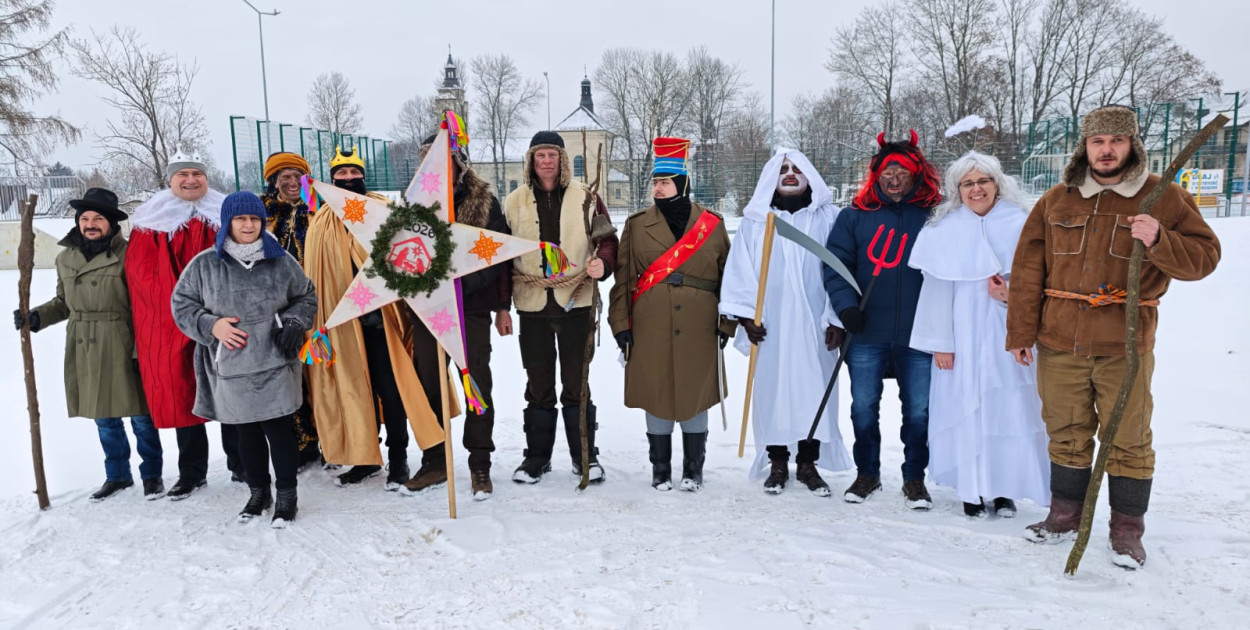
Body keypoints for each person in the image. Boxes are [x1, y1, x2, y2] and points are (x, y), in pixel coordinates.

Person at [1007, 105, 1220, 567]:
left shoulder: (1162, 197)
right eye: (1098, 141)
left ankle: (1126, 531)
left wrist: (1161, 239)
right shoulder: (1058, 199)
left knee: (1129, 438)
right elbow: (1026, 271)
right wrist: (1021, 332)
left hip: (1125, 345)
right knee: (1065, 433)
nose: (1106, 150)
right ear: (1084, 146)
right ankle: (1064, 516)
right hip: (1059, 341)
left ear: (1132, 145)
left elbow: (1205, 259)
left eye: (1116, 140)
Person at [908, 152, 1049, 518]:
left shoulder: (1021, 223)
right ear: (957, 189)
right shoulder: (943, 229)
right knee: (965, 407)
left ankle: (1003, 490)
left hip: (1008, 333)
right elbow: (936, 291)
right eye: (967, 183)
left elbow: (1040, 282)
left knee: (1008, 409)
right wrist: (941, 344)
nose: (976, 189)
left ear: (996, 184)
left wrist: (1009, 295)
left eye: (983, 181)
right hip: (961, 335)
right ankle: (971, 489)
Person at [172, 191, 318, 527]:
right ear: (228, 222)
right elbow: (182, 305)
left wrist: (294, 321)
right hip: (232, 366)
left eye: (254, 219)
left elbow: (306, 297)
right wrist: (212, 325)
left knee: (279, 432)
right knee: (246, 434)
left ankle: (287, 495)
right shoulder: (205, 264)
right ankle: (258, 492)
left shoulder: (281, 260)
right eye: (240, 219)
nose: (248, 225)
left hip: (275, 362)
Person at [303, 146, 443, 490]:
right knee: (355, 390)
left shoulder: (384, 212)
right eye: (341, 173)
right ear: (332, 178)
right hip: (341, 325)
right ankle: (365, 459)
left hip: (383, 321)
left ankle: (398, 459)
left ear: (363, 176)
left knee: (390, 391)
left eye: (354, 172)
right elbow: (316, 274)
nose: (348, 178)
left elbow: (409, 258)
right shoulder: (321, 220)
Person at [720, 148, 853, 496]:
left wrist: (836, 318)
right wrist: (746, 316)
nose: (790, 174)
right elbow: (740, 270)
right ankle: (777, 462)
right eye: (783, 170)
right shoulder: (755, 222)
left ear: (809, 175)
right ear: (771, 179)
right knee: (773, 392)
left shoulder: (829, 219)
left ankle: (808, 464)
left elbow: (841, 270)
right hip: (772, 325)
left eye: (796, 168)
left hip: (816, 323)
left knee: (815, 392)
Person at [17, 188, 163, 501]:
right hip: (85, 344)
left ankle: (152, 475)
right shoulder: (65, 258)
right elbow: (63, 302)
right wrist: (36, 316)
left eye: (98, 218)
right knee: (104, 417)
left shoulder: (130, 254)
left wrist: (142, 351)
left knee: (140, 415)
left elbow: (145, 307)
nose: (91, 224)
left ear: (112, 223)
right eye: (85, 218)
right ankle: (117, 475)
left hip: (123, 339)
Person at [609, 137, 736, 492]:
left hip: (700, 325)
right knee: (657, 392)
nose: (657, 189)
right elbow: (623, 281)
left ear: (682, 183)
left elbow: (730, 279)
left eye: (664, 182)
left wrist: (727, 323)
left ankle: (693, 470)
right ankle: (660, 470)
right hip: (650, 325)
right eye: (655, 182)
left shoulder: (712, 224)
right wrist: (621, 325)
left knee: (695, 393)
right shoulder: (636, 225)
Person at [824, 130, 942, 509]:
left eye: (902, 172)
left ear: (917, 174)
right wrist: (846, 309)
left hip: (919, 333)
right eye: (887, 173)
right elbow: (835, 268)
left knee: (919, 410)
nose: (894, 179)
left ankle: (914, 479)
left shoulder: (936, 218)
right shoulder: (855, 217)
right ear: (876, 176)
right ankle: (867, 474)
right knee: (863, 407)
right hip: (866, 332)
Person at [497, 131, 619, 484]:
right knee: (538, 385)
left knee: (577, 384)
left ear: (562, 159)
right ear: (531, 160)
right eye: (541, 155)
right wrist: (502, 307)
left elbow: (607, 240)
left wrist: (603, 263)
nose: (547, 161)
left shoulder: (587, 197)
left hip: (576, 303)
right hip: (532, 306)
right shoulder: (514, 201)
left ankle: (585, 456)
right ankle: (536, 458)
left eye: (552, 155)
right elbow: (502, 257)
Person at [126, 151, 241, 500]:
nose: (191, 180)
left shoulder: (225, 214)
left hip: (226, 317)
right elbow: (145, 275)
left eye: (197, 173)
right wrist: (187, 311)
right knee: (182, 391)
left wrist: (220, 309)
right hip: (173, 322)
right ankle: (192, 472)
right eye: (183, 174)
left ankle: (242, 463)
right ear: (170, 179)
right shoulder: (152, 221)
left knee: (232, 389)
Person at [403, 133, 510, 500]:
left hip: (470, 310)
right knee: (430, 385)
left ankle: (480, 462)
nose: (438, 166)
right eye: (429, 160)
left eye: (445, 159)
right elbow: (397, 251)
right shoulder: (412, 204)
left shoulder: (484, 203)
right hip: (429, 311)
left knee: (476, 384)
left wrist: (461, 287)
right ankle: (435, 460)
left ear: (459, 164)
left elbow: (497, 254)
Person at [260, 151, 320, 469]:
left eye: (298, 176)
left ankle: (331, 438)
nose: (292, 182)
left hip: (319, 304)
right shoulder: (262, 216)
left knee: (322, 373)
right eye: (285, 177)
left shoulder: (320, 211)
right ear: (274, 181)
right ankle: (301, 443)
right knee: (288, 376)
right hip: (277, 310)